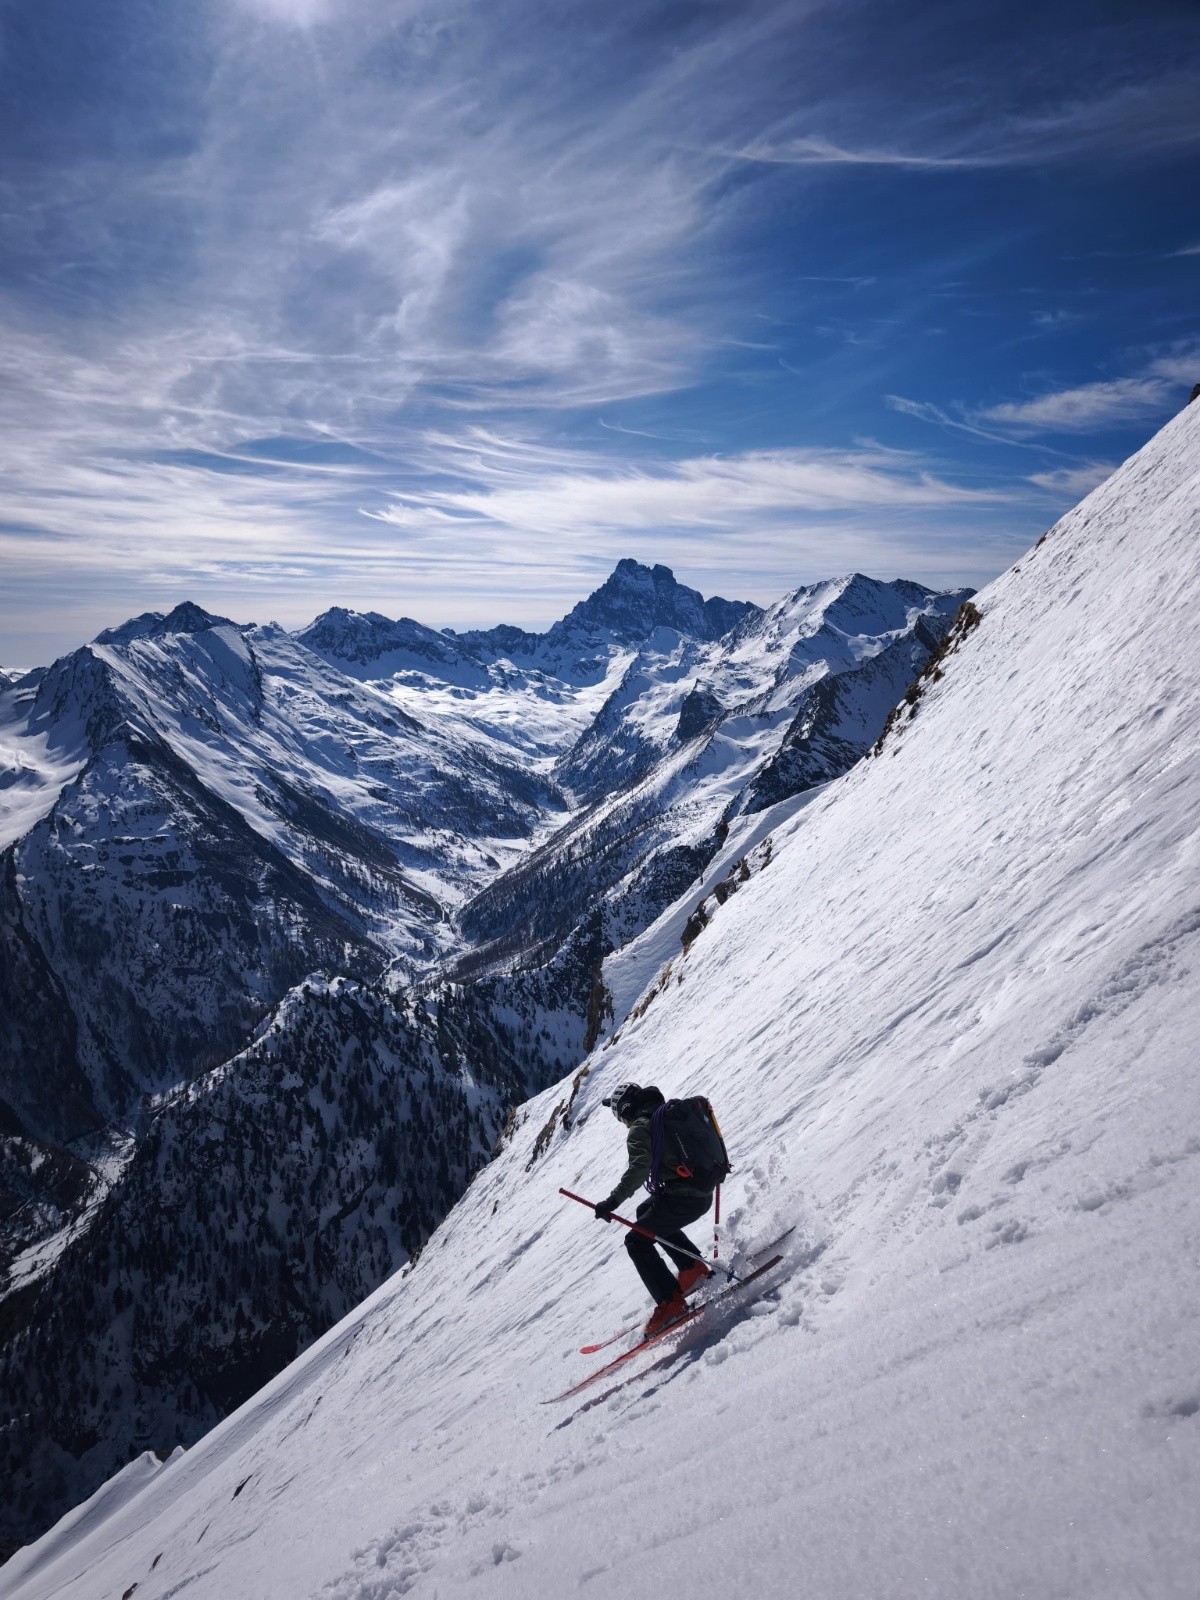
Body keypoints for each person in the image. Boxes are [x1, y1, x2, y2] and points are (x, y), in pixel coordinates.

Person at [595, 1082, 714, 1335]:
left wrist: (612, 1202)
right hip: (700, 1192)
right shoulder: (667, 1114)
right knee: (644, 1213)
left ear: (626, 1111)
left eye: (621, 1119)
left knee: (636, 1241)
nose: (624, 1125)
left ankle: (670, 1303)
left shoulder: (641, 1128)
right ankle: (691, 1269)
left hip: (686, 1199)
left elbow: (639, 1168)